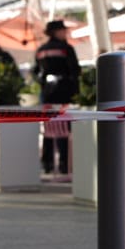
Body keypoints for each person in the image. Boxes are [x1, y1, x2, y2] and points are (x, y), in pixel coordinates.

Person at [34, 19, 80, 178]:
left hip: (47, 94)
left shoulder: (41, 50)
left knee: (49, 129)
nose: (65, 33)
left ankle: (47, 163)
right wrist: (75, 91)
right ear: (56, 32)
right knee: (64, 130)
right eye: (62, 30)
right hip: (64, 93)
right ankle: (63, 164)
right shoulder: (66, 49)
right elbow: (75, 71)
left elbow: (36, 72)